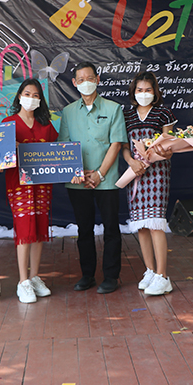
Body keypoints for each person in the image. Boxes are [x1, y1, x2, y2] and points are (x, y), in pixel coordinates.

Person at [58, 62, 128, 294]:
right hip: (77, 181)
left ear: (97, 80)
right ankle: (87, 275)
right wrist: (77, 172)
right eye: (81, 79)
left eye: (90, 78)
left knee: (111, 229)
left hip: (106, 180)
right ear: (74, 83)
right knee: (84, 229)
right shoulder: (68, 112)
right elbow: (64, 145)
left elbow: (116, 143)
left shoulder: (113, 108)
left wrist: (99, 174)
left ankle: (111, 276)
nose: (85, 83)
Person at [2, 79, 57, 304]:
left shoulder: (46, 125)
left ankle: (34, 277)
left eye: (36, 95)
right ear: (19, 96)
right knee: (25, 229)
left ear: (40, 100)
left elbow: (57, 153)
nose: (31, 99)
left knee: (39, 228)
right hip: (18, 185)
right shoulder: (8, 123)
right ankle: (23, 282)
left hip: (42, 185)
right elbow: (0, 159)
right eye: (27, 94)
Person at [121, 72, 176, 296]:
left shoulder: (163, 113)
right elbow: (124, 146)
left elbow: (169, 145)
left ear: (155, 92)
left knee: (155, 223)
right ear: (133, 92)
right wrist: (132, 162)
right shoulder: (126, 115)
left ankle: (163, 276)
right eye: (140, 90)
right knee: (141, 225)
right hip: (134, 172)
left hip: (157, 172)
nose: (144, 94)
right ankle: (150, 271)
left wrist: (157, 154)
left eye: (148, 90)